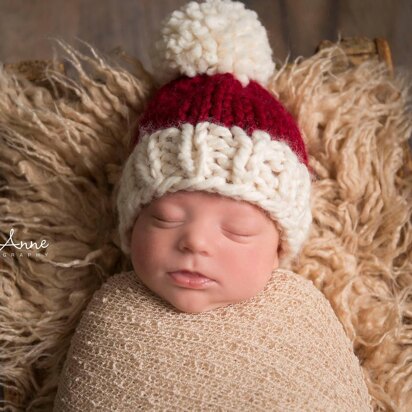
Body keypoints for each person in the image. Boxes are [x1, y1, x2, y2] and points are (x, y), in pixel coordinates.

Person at [54, 1, 373, 410]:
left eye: (237, 229)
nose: (195, 242)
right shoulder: (113, 316)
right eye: (166, 219)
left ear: (279, 249)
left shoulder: (299, 318)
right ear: (131, 226)